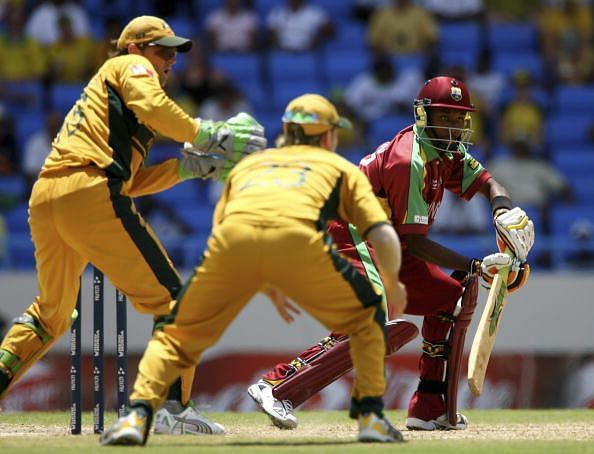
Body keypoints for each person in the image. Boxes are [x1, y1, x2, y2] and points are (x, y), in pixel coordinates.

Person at [0, 15, 266, 436]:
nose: (170, 62)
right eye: (163, 50)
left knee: (51, 315)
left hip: (49, 196)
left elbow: (130, 181)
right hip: (89, 192)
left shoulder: (118, 101)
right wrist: (204, 133)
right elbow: (152, 111)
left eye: (174, 53)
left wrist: (188, 168)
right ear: (134, 48)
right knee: (175, 303)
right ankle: (171, 410)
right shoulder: (128, 67)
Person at [99, 93, 408, 446]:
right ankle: (371, 419)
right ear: (327, 137)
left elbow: (226, 227)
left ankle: (137, 416)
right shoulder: (339, 168)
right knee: (369, 321)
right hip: (297, 242)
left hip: (232, 242)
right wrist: (394, 281)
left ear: (288, 132)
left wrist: (263, 280)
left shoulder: (249, 166)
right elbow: (381, 233)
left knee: (176, 333)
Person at [247, 76, 535, 431]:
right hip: (349, 232)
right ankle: (275, 386)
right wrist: (477, 265)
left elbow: (489, 183)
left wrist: (502, 210)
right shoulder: (407, 161)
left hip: (389, 241)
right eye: (445, 117)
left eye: (459, 118)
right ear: (423, 116)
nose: (454, 127)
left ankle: (430, 407)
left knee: (451, 298)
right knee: (369, 319)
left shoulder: (448, 152)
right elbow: (413, 243)